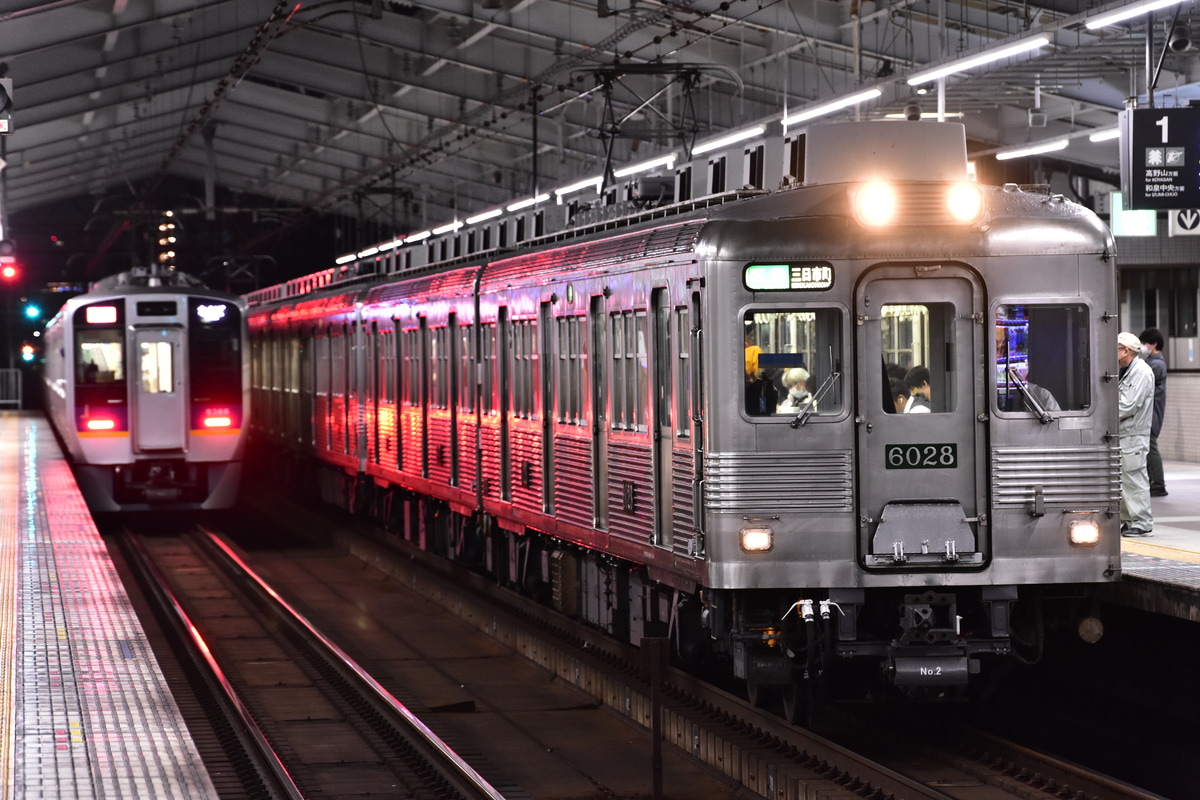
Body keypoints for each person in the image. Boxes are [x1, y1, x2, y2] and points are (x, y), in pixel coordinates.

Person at [1117, 331, 1155, 537]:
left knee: (1134, 477)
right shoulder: (1125, 369)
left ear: (1126, 351)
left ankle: (1142, 521)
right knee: (1124, 479)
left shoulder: (1141, 372)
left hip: (1133, 434)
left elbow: (1127, 405)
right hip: (1124, 434)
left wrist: (1104, 413)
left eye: (1116, 348)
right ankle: (1130, 520)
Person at [1139, 328, 1168, 497]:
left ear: (1154, 344)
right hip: (1151, 414)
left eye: (1144, 343)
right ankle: (1154, 482)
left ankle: (1158, 483)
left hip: (1151, 415)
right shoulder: (1152, 362)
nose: (1143, 346)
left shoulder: (1156, 365)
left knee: (1151, 448)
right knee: (1149, 448)